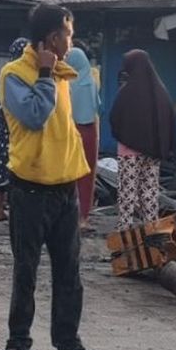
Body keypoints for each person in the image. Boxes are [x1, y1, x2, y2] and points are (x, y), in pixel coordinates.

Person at [0, 4, 101, 350]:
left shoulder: (63, 74)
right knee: (26, 270)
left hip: (64, 188)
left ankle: (68, 343)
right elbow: (35, 117)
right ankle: (18, 342)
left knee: (69, 273)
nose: (71, 41)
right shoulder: (14, 74)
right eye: (68, 34)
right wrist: (43, 72)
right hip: (30, 190)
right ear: (52, 37)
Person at [110, 50, 176, 231]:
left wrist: (124, 136)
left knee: (127, 192)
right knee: (149, 191)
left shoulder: (126, 92)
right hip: (152, 153)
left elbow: (115, 118)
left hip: (129, 152)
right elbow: (168, 119)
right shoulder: (160, 91)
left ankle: (124, 229)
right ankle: (152, 229)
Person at [0, 38, 29, 223]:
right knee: (16, 170)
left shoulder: (6, 73)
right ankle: (14, 210)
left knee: (0, 168)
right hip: (13, 131)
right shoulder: (21, 75)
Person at [66, 46, 102, 227]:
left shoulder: (66, 83)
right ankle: (84, 215)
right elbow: (97, 106)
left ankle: (71, 214)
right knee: (88, 175)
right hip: (91, 133)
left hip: (71, 132)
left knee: (70, 175)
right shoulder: (91, 80)